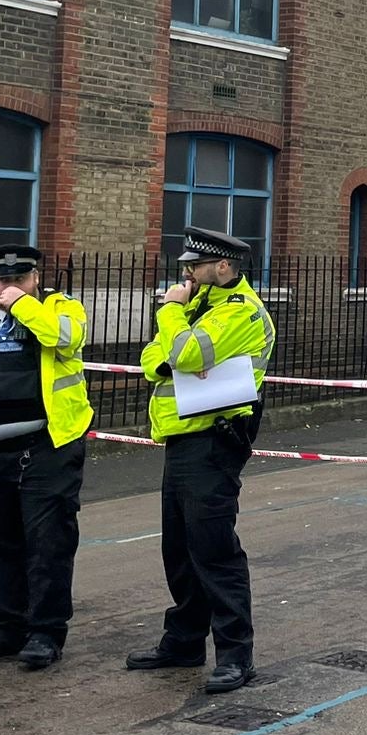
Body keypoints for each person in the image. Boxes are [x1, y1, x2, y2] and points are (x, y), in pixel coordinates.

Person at [126, 227, 276, 695]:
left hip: (214, 442)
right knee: (179, 549)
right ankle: (185, 641)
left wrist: (171, 316)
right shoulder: (200, 308)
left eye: (195, 266)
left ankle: (236, 655)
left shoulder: (242, 312)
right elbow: (155, 356)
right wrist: (175, 344)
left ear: (224, 267)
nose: (187, 273)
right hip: (182, 439)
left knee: (214, 551)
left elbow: (185, 351)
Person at [0, 245, 93, 671]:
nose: (8, 286)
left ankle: (46, 632)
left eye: (18, 279)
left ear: (34, 279)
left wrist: (25, 305)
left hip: (46, 448)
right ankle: (8, 626)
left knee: (48, 543)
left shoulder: (59, 309)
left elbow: (64, 338)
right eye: (1, 280)